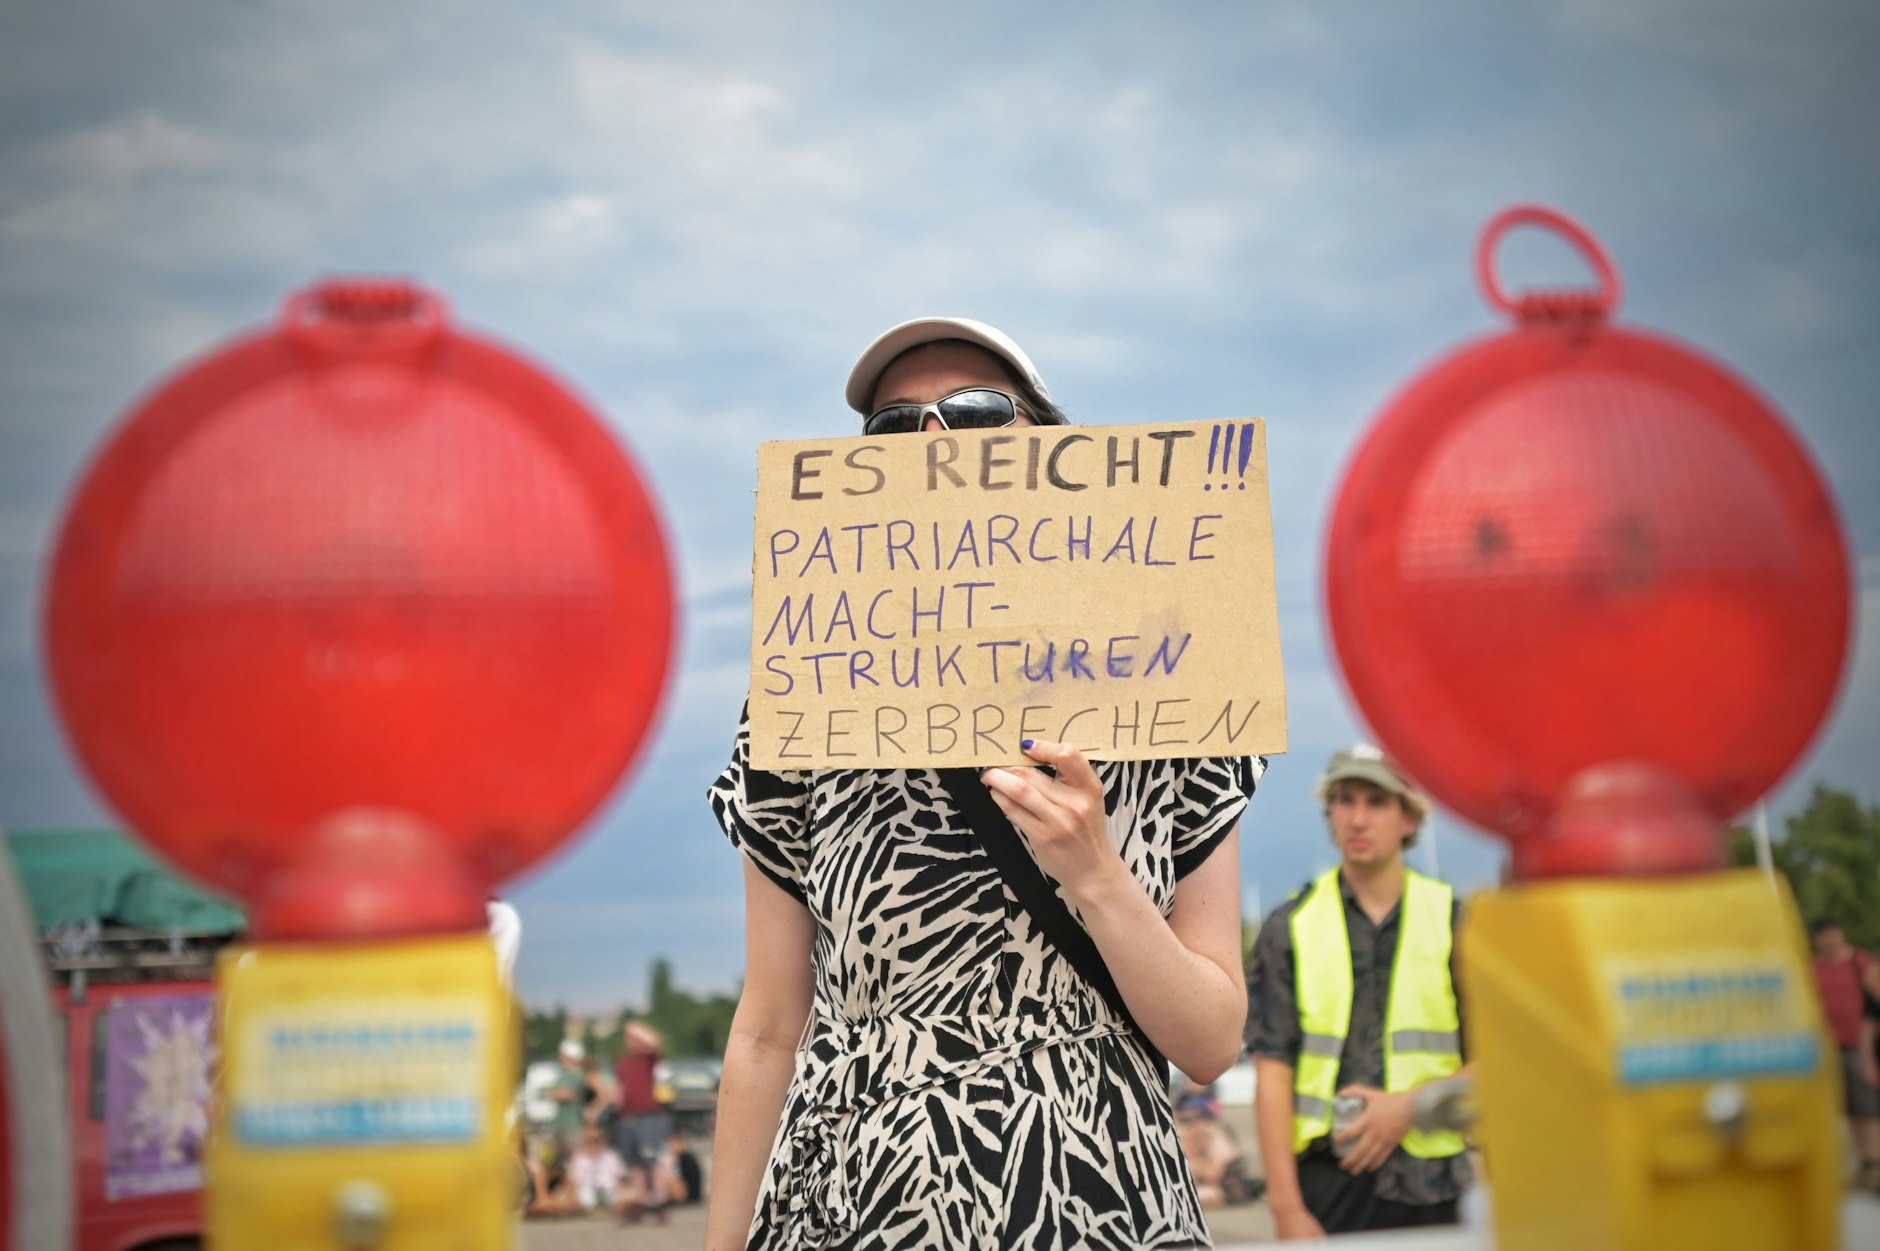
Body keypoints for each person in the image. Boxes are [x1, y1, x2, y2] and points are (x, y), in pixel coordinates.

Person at [706, 316, 1262, 1251]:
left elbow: (1209, 1041)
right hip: (858, 1200)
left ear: (1047, 444)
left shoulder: (1175, 687)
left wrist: (1095, 873)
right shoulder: (801, 690)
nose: (933, 438)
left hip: (1095, 1199)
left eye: (974, 410)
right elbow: (767, 1028)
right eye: (894, 425)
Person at [1246, 745, 1469, 1239]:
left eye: (1376, 801)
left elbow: (1496, 1062)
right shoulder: (1291, 926)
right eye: (1344, 800)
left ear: (1409, 818)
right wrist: (1286, 1209)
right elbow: (1273, 1071)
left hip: (1437, 1186)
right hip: (1329, 1186)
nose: (1358, 818)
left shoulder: (1457, 923)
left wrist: (1409, 1107)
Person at [1810, 918, 1880, 1189]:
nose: (1830, 940)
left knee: (1868, 1105)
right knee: (1848, 1107)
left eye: (1833, 934)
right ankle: (1863, 1163)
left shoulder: (1859, 962)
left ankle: (1875, 1163)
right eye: (1824, 936)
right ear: (1818, 940)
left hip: (1859, 1043)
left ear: (1840, 934)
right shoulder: (1814, 967)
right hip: (1828, 1045)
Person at [614, 1020, 674, 1222]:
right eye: (629, 1037)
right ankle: (639, 1202)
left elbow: (655, 1042)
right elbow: (620, 1088)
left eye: (634, 1038)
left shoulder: (649, 1058)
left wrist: (635, 1027)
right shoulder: (623, 1061)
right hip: (628, 1118)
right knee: (635, 1164)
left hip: (648, 1115)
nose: (631, 1041)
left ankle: (660, 1202)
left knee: (653, 1161)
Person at [565, 1126, 628, 1214]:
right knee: (583, 1196)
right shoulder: (579, 1157)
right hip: (586, 1191)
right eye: (590, 1141)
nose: (593, 1144)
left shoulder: (611, 1155)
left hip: (609, 1190)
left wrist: (622, 1196)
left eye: (596, 1140)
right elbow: (573, 1179)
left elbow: (620, 1178)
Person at [547, 1039, 589, 1163]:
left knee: (575, 1161)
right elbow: (552, 1093)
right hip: (559, 1124)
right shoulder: (563, 1075)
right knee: (556, 1161)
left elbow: (568, 1094)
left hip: (573, 1125)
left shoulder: (578, 1075)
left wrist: (558, 1093)